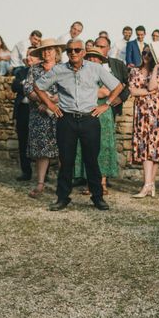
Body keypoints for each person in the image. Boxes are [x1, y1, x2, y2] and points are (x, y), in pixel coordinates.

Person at [33, 38, 123, 211]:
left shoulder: (95, 68)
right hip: (66, 120)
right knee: (66, 161)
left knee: (92, 160)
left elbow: (118, 86)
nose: (73, 53)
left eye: (76, 50)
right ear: (66, 53)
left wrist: (107, 104)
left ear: (83, 52)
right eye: (70, 50)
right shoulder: (59, 70)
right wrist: (51, 105)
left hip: (89, 119)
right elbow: (37, 87)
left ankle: (97, 198)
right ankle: (62, 198)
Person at [73, 48, 120, 195]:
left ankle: (103, 183)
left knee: (104, 146)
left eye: (96, 58)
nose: (93, 60)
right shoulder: (81, 74)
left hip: (103, 113)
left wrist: (88, 93)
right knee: (87, 147)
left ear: (100, 60)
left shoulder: (105, 74)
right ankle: (90, 183)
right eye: (90, 57)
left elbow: (108, 91)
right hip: (87, 113)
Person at [129, 45, 159, 198]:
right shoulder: (134, 71)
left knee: (154, 148)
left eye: (149, 53)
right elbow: (133, 91)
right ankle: (149, 185)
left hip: (156, 113)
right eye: (144, 52)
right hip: (141, 113)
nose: (145, 55)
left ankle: (148, 185)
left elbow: (153, 85)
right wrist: (149, 92)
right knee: (145, 147)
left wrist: (155, 69)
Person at [23, 39, 63, 198]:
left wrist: (52, 100)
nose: (47, 52)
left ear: (56, 52)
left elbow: (70, 90)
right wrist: (42, 101)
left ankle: (62, 183)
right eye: (44, 50)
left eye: (50, 49)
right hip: (39, 116)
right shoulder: (34, 70)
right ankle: (40, 184)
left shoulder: (63, 69)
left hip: (59, 113)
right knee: (42, 151)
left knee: (63, 149)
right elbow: (28, 89)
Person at [12, 48, 39, 181]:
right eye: (27, 55)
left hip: (38, 110)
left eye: (32, 55)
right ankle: (26, 172)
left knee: (39, 141)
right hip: (23, 110)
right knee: (23, 142)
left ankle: (42, 174)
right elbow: (14, 86)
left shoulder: (43, 72)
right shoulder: (21, 71)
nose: (28, 57)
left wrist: (25, 84)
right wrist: (25, 84)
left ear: (38, 58)